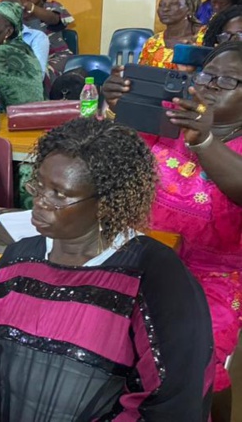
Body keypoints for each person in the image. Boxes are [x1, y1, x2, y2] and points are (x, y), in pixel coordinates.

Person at [0, 117, 214, 421]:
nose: (39, 202)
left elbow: (167, 404)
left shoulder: (155, 280)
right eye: (38, 185)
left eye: (60, 194)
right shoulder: (18, 258)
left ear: (107, 203)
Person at [104, 41, 242, 417]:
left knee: (195, 356)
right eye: (208, 75)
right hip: (137, 258)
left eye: (228, 81)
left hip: (212, 276)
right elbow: (113, 160)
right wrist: (119, 106)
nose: (211, 85)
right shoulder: (169, 119)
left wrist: (206, 141)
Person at [15, 0, 75, 82]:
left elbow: (53, 19)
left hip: (55, 57)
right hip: (27, 58)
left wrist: (29, 6)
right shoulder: (18, 11)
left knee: (40, 74)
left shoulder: (52, 7)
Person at [139, 0, 204, 70]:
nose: (165, 9)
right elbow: (141, 75)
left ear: (189, 9)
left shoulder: (205, 38)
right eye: (161, 5)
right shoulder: (153, 43)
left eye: (173, 4)